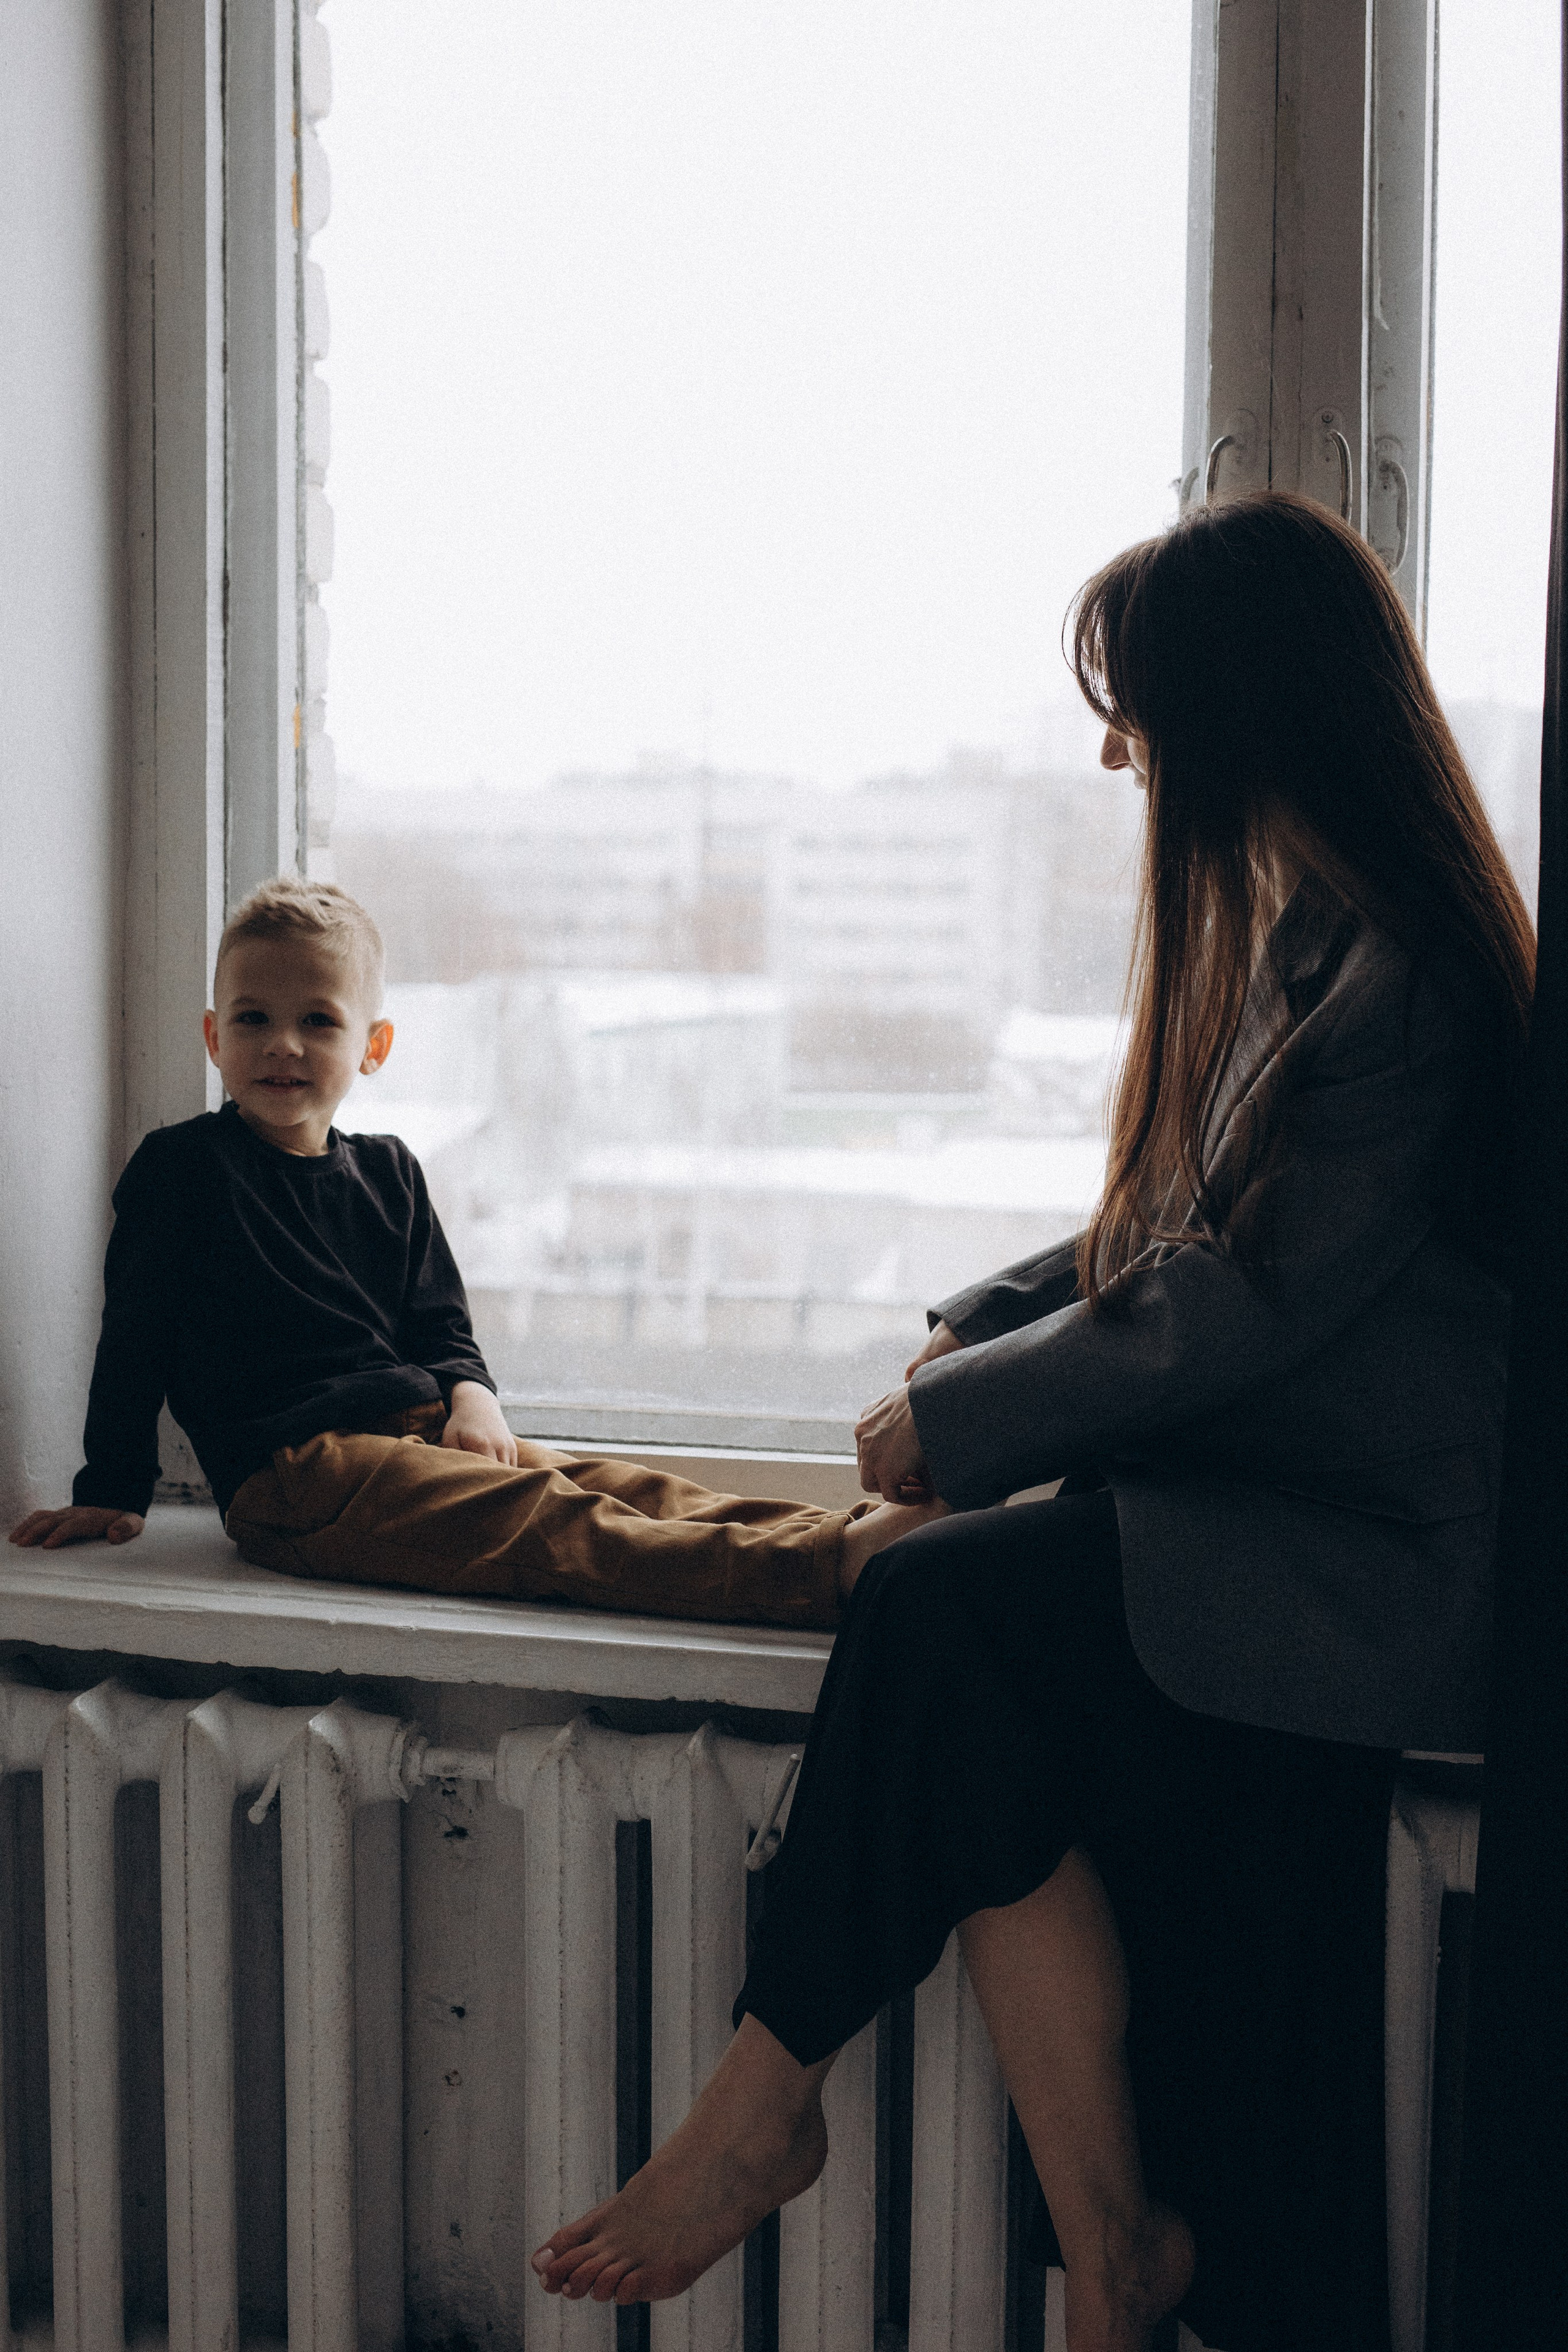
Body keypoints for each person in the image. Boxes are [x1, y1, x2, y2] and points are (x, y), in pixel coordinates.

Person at [529, 491, 1536, 2352]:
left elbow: (1245, 1298)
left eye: (1133, 705)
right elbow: (1174, 1227)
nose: (1111, 748)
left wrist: (965, 1423)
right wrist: (967, 1344)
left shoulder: (1411, 992)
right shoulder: (1316, 949)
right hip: (1280, 1523)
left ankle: (760, 2114)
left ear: (1241, 704)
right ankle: (1118, 2259)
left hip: (1377, 1582)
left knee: (932, 1613)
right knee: (969, 1700)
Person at [7, 875, 940, 1613]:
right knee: (548, 1523)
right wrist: (113, 1485)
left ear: (372, 1046)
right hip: (296, 1474)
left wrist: (472, 1397)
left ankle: (864, 1530)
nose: (282, 1044)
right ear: (215, 1037)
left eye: (317, 1021)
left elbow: (439, 1324)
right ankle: (829, 1571)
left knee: (609, 1484)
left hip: (420, 1434)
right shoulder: (185, 1171)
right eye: (252, 1018)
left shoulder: (391, 1172)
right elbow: (134, 1333)